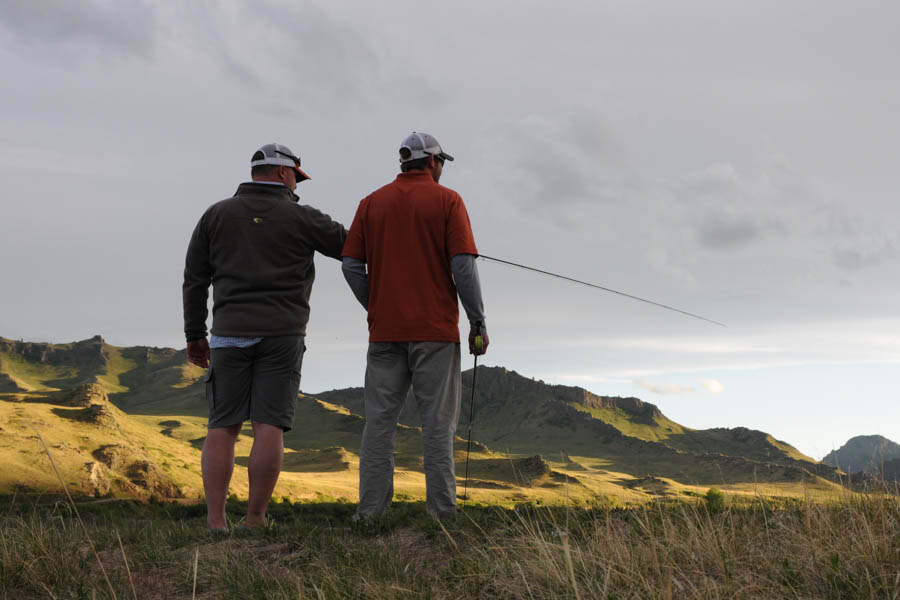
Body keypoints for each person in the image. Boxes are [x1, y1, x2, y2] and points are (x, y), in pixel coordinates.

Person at [183, 143, 346, 531]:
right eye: (296, 179)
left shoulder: (215, 214)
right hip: (283, 334)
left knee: (222, 426)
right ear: (283, 173)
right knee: (268, 425)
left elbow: (194, 280)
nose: (296, 187)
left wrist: (195, 335)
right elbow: (353, 247)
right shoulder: (302, 217)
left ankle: (215, 521)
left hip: (228, 334)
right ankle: (255, 518)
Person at [341, 131, 489, 520]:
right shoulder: (448, 201)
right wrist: (478, 321)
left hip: (384, 332)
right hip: (435, 333)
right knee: (437, 425)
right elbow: (463, 267)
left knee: (378, 424)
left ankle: (370, 514)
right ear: (432, 163)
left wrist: (375, 305)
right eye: (442, 163)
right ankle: (441, 513)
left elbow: (351, 266)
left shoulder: (370, 204)